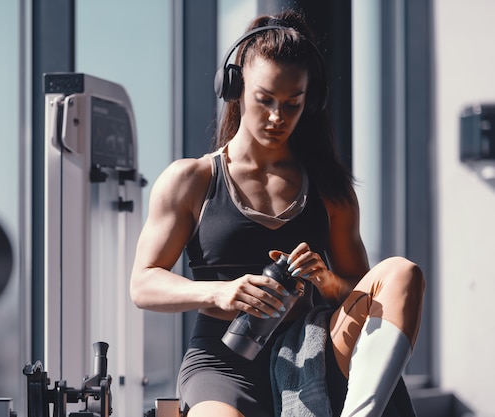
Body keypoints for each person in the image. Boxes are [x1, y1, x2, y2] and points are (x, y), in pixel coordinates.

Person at [130, 8, 425, 417]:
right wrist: (220, 291)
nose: (276, 117)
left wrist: (325, 279)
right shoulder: (191, 178)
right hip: (224, 359)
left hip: (314, 346)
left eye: (292, 103)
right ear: (235, 88)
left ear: (311, 100)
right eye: (264, 99)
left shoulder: (329, 189)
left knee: (402, 273)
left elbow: (363, 290)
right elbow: (142, 284)